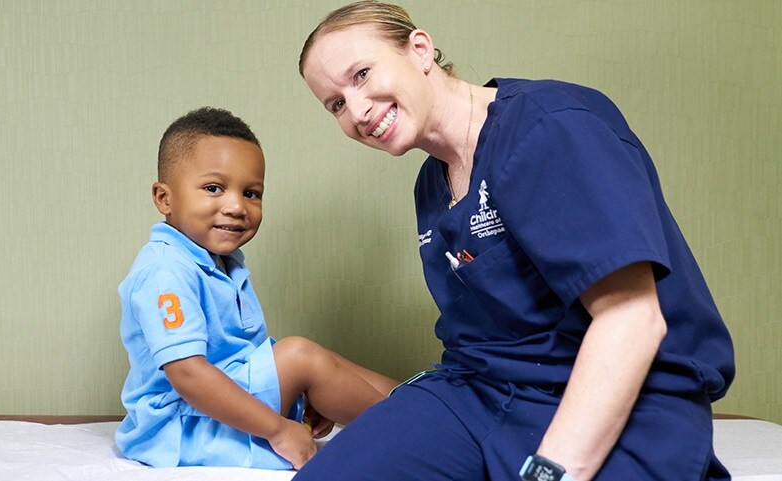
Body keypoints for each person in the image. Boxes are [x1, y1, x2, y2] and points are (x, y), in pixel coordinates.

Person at [295, 2, 735, 480]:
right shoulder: (431, 184)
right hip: (481, 392)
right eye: (336, 103)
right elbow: (479, 342)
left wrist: (548, 473)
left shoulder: (549, 125)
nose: (356, 111)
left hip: (625, 395)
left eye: (361, 74)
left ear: (420, 50)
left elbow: (632, 319)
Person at [115, 107, 398, 470]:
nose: (236, 206)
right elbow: (187, 374)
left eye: (251, 193)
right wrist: (278, 429)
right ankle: (418, 433)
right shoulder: (164, 269)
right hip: (182, 423)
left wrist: (298, 391)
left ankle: (427, 402)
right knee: (300, 355)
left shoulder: (221, 263)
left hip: (226, 399)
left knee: (317, 361)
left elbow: (241, 356)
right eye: (213, 188)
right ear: (164, 198)